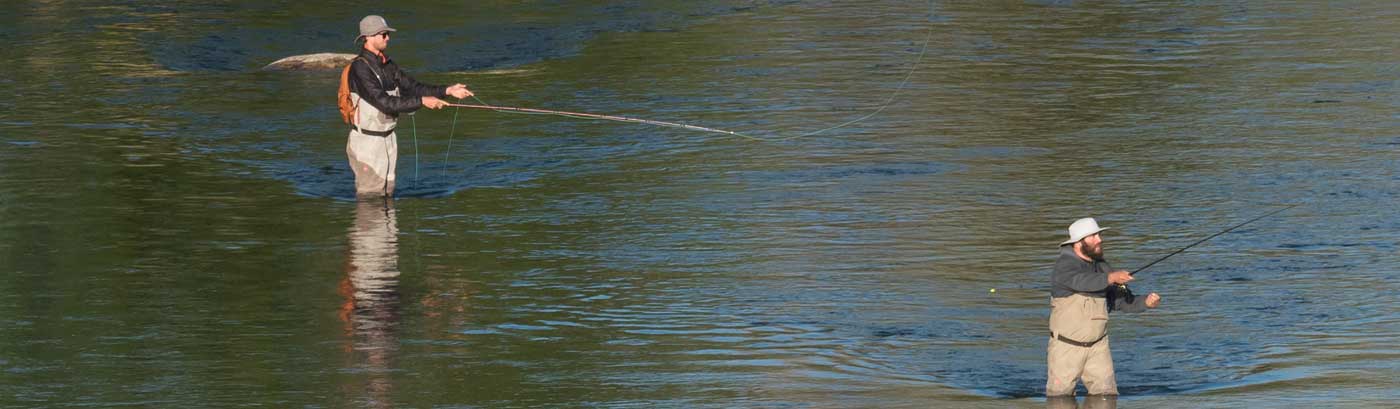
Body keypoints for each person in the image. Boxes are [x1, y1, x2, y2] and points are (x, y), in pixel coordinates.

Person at [346, 15, 473, 197]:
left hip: (388, 139)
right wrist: (422, 101)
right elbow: (385, 103)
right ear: (368, 37)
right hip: (368, 143)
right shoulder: (360, 68)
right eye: (383, 34)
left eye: (388, 34)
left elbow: (413, 87)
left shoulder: (387, 64)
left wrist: (448, 90)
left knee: (387, 194)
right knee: (371, 198)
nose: (388, 38)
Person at [1046, 217, 1162, 396]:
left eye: (1099, 235)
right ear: (1078, 242)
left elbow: (1119, 301)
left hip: (1098, 348)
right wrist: (1111, 278)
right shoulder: (1064, 266)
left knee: (1107, 398)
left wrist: (1146, 302)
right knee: (1059, 400)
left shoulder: (1102, 267)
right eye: (1093, 236)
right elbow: (1081, 282)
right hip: (1066, 348)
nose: (1099, 239)